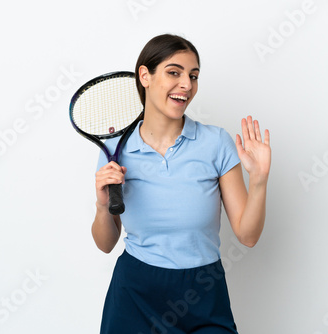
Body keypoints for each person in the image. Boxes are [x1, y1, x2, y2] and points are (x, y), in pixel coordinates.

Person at [93, 34, 271, 334]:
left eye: (193, 76)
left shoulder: (216, 143)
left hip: (203, 290)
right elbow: (106, 243)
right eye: (174, 72)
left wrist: (259, 181)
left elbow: (248, 236)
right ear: (145, 76)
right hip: (135, 292)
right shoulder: (116, 149)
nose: (187, 85)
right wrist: (101, 206)